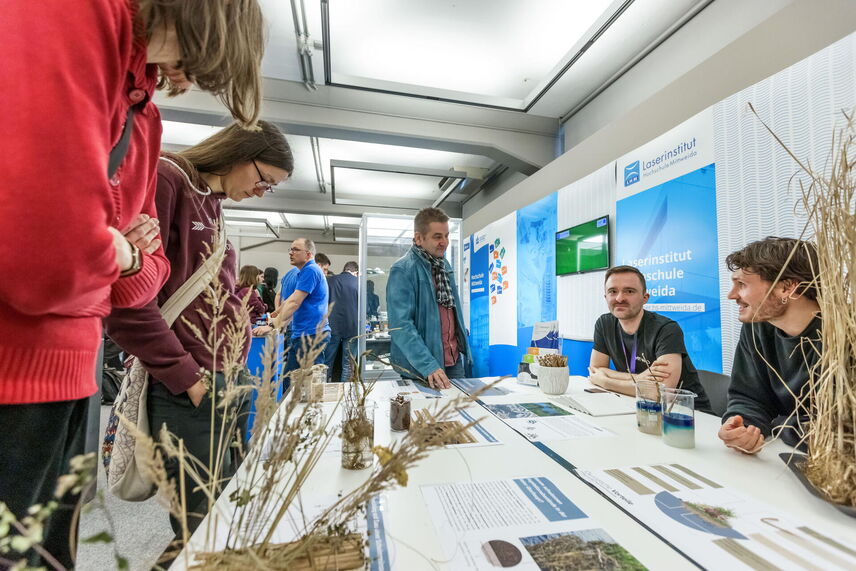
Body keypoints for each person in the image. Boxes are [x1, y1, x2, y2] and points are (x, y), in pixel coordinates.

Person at [0, 2, 266, 566]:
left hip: (70, 369)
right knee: (197, 514)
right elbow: (51, 257)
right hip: (21, 368)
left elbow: (141, 283)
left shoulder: (145, 119)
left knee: (52, 552)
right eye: (264, 178)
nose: (187, 80)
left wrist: (117, 252)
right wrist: (121, 250)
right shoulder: (73, 23)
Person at [106, 121, 293, 537]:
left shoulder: (214, 203)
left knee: (230, 504)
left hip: (228, 375)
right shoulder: (168, 180)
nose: (262, 192)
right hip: (193, 385)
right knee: (202, 524)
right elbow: (129, 298)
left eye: (272, 188)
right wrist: (185, 376)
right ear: (240, 152)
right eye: (264, 180)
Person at [718, 237, 821, 454]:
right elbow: (748, 397)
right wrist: (743, 427)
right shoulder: (757, 326)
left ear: (786, 288)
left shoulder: (842, 335)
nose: (731, 295)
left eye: (742, 285)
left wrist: (777, 424)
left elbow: (833, 427)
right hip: (781, 458)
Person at [588, 265, 711, 412]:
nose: (620, 298)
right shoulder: (604, 323)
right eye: (613, 291)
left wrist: (606, 381)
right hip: (636, 405)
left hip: (685, 413)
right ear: (606, 297)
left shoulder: (666, 329)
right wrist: (641, 379)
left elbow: (659, 393)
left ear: (645, 298)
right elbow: (596, 369)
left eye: (629, 291)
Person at [387, 207, 471, 389]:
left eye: (447, 235)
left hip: (453, 361)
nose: (445, 242)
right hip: (422, 367)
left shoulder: (443, 265)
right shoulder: (403, 270)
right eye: (437, 236)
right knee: (426, 416)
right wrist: (428, 365)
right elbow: (401, 326)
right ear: (419, 238)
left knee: (457, 415)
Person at [274, 239, 331, 377]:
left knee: (311, 384)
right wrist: (276, 315)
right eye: (290, 249)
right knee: (291, 381)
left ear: (308, 254)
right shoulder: (303, 271)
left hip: (311, 336)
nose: (290, 253)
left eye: (295, 250)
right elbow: (290, 300)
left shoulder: (311, 270)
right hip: (302, 334)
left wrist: (272, 325)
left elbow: (294, 302)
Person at [326, 262, 360, 382]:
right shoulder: (358, 283)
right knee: (348, 364)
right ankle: (345, 393)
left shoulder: (330, 281)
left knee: (327, 362)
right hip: (352, 328)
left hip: (331, 327)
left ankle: (324, 391)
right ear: (356, 272)